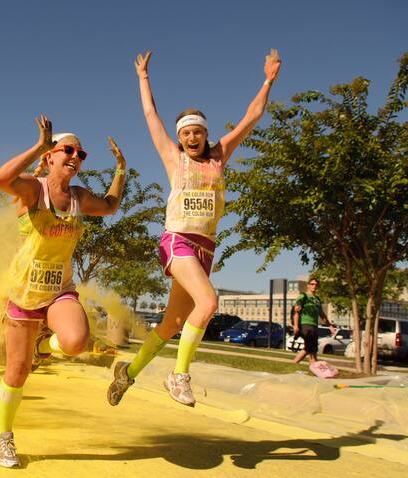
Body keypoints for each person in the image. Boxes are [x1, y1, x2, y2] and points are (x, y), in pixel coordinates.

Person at [108, 50, 282, 408]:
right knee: (208, 302)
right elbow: (150, 115)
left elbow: (252, 118)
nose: (191, 137)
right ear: (180, 137)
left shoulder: (219, 156)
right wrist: (143, 77)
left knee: (172, 322)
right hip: (178, 241)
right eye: (185, 133)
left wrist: (267, 81)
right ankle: (180, 375)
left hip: (205, 248)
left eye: (197, 132)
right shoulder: (175, 158)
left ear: (206, 134)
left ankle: (129, 371)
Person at [0, 115, 125, 467]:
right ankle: (4, 436)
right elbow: (1, 179)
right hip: (23, 292)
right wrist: (37, 144)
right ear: (51, 156)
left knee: (75, 342)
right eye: (68, 150)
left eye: (81, 154)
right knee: (17, 373)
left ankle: (43, 343)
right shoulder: (34, 190)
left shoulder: (79, 197)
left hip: (59, 290)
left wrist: (121, 170)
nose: (75, 157)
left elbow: (110, 207)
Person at [292, 278, 336, 365]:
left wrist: (330, 326)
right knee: (309, 347)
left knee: (313, 348)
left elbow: (322, 314)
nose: (314, 286)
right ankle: (295, 362)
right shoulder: (303, 296)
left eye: (316, 284)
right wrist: (296, 326)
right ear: (308, 285)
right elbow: (296, 313)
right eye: (312, 284)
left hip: (314, 325)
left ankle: (313, 365)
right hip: (305, 324)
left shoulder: (317, 299)